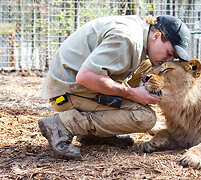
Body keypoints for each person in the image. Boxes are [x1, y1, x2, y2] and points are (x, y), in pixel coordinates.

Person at [38, 15, 191, 159]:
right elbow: (85, 77)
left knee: (147, 67)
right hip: (67, 93)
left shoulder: (139, 30)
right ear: (156, 36)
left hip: (74, 86)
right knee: (145, 117)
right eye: (170, 53)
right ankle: (63, 124)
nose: (169, 59)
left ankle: (97, 134)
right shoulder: (128, 40)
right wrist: (131, 94)